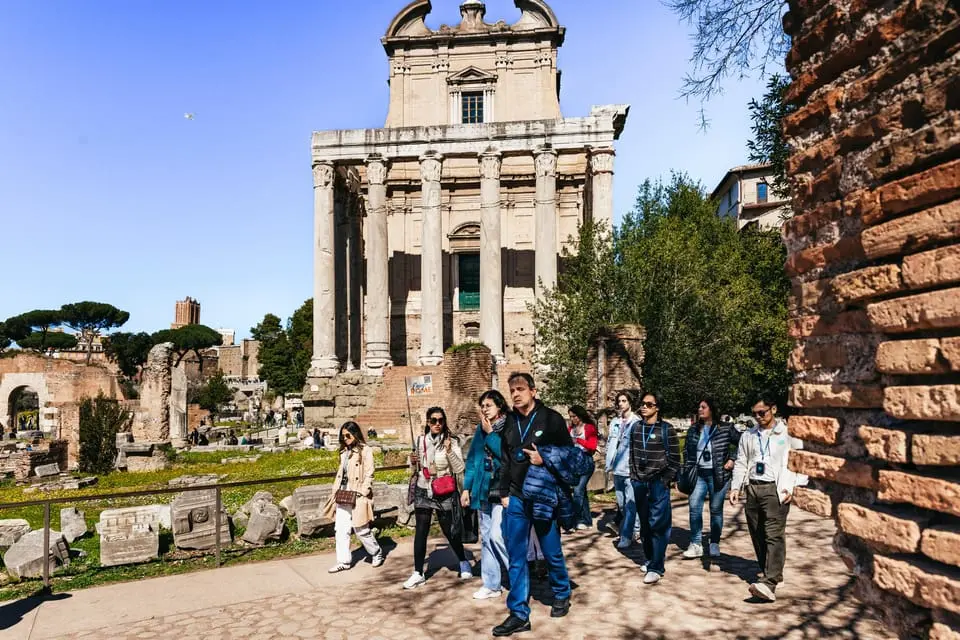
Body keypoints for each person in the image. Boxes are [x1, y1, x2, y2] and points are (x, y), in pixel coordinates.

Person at [493, 372, 574, 637]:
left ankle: (561, 592)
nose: (515, 394)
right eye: (512, 390)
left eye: (520, 389)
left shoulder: (551, 419)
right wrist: (503, 492)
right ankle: (518, 613)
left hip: (542, 496)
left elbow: (570, 456)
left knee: (551, 551)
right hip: (516, 497)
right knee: (516, 556)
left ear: (533, 390)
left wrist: (545, 459)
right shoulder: (509, 422)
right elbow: (505, 459)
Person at [729, 396, 807, 602]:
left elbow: (799, 460)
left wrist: (794, 486)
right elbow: (741, 462)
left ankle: (770, 582)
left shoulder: (788, 433)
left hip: (776, 488)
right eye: (754, 413)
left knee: (773, 534)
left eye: (761, 412)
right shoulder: (749, 435)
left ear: (773, 409)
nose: (757, 417)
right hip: (752, 487)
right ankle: (770, 570)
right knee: (757, 532)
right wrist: (736, 486)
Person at [403, 406, 472, 589]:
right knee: (421, 531)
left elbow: (458, 469)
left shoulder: (451, 442)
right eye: (433, 420)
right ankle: (418, 572)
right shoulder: (419, 441)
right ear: (428, 422)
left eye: (441, 420)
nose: (437, 424)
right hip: (423, 489)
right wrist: (412, 462)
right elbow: (412, 470)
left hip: (443, 490)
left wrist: (449, 451)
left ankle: (463, 561)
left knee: (449, 530)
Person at [461, 389, 510, 600]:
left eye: (488, 405)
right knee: (487, 539)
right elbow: (472, 461)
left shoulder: (508, 428)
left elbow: (506, 455)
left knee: (498, 537)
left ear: (499, 407)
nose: (484, 409)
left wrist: (490, 434)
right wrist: (466, 488)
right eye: (482, 406)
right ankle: (491, 584)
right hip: (483, 490)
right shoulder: (480, 431)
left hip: (503, 490)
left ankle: (519, 575)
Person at [630, 391, 681, 585]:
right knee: (644, 524)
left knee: (658, 524)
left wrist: (664, 480)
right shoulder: (636, 428)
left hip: (658, 482)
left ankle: (656, 567)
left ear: (657, 407)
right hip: (639, 482)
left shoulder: (666, 429)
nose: (644, 407)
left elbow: (676, 460)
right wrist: (633, 476)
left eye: (649, 404)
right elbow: (632, 455)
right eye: (642, 404)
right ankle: (650, 558)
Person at [322, 421, 385, 572]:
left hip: (357, 493)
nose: (345, 439)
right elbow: (340, 474)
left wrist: (363, 491)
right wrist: (334, 490)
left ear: (355, 434)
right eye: (343, 437)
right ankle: (343, 561)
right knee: (341, 529)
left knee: (360, 528)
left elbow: (370, 472)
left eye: (348, 435)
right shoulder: (344, 452)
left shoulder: (365, 450)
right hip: (343, 493)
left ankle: (376, 552)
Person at [683, 398, 741, 559]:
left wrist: (732, 459)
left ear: (712, 409)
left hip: (718, 475)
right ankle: (695, 544)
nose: (700, 409)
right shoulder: (693, 429)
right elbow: (687, 452)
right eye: (699, 407)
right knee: (694, 509)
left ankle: (714, 542)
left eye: (703, 407)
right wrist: (687, 470)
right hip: (698, 475)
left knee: (716, 510)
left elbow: (743, 442)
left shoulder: (725, 428)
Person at [605, 390, 641, 549]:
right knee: (621, 504)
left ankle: (627, 535)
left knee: (630, 504)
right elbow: (610, 444)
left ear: (630, 403)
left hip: (630, 469)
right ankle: (636, 528)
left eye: (624, 401)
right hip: (616, 469)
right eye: (619, 401)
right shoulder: (615, 422)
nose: (621, 404)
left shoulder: (636, 422)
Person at [567, 405, 598, 531]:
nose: (573, 419)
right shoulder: (570, 429)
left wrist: (578, 440)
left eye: (574, 416)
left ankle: (575, 520)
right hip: (574, 463)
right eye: (570, 417)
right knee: (582, 492)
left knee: (578, 491)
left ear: (580, 415)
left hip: (586, 461)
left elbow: (592, 446)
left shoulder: (589, 428)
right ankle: (587, 520)